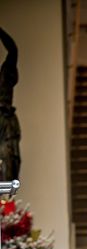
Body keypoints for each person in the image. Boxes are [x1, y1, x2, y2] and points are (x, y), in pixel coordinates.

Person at [0, 27, 21, 181]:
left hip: (6, 120)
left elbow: (13, 50)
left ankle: (6, 200)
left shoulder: (6, 74)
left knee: (10, 159)